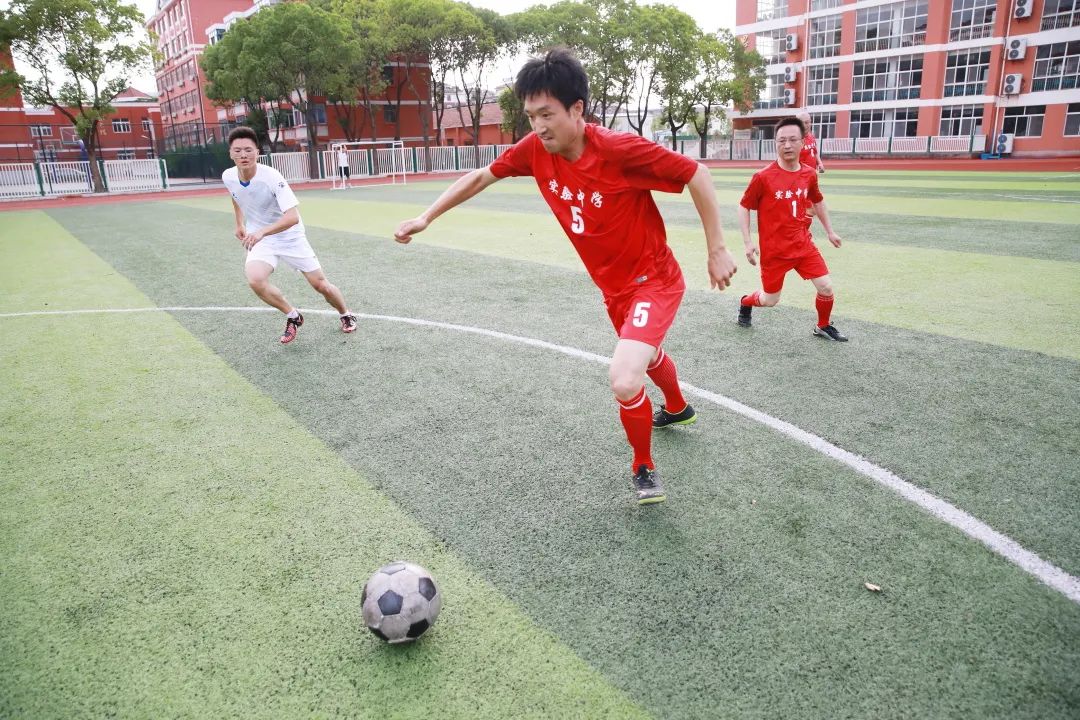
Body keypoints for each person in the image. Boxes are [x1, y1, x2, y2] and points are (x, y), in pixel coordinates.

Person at [393, 48, 737, 505]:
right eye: (531, 115)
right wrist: (426, 217)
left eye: (547, 114)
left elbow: (698, 172)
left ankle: (643, 468)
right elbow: (481, 177)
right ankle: (678, 407)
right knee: (646, 357)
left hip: (654, 281)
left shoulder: (618, 151)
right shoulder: (535, 149)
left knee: (624, 378)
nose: (538, 126)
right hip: (613, 289)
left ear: (577, 109)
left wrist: (716, 248)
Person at [223, 127, 357, 344]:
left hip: (290, 235)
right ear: (230, 153)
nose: (243, 155)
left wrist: (261, 232)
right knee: (255, 280)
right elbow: (235, 195)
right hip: (262, 237)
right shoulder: (228, 176)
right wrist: (239, 223)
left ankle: (345, 313)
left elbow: (292, 217)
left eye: (248, 150)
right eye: (237, 151)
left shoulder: (271, 177)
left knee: (320, 285)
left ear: (258, 151)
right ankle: (293, 316)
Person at [736, 116, 847, 342]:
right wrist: (748, 243)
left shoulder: (809, 173)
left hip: (803, 244)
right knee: (770, 300)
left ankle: (822, 325)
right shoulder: (763, 177)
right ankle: (745, 302)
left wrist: (830, 231)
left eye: (792, 140)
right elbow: (744, 207)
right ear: (775, 143)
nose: (787, 145)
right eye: (781, 140)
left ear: (802, 141)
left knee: (825, 286)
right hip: (775, 252)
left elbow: (817, 201)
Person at [796, 111, 824, 218]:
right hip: (801, 179)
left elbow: (815, 151)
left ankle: (801, 231)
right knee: (811, 208)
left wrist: (820, 163)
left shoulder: (811, 136)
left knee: (811, 208)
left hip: (812, 177)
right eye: (802, 123)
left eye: (808, 122)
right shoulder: (796, 140)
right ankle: (800, 232)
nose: (805, 125)